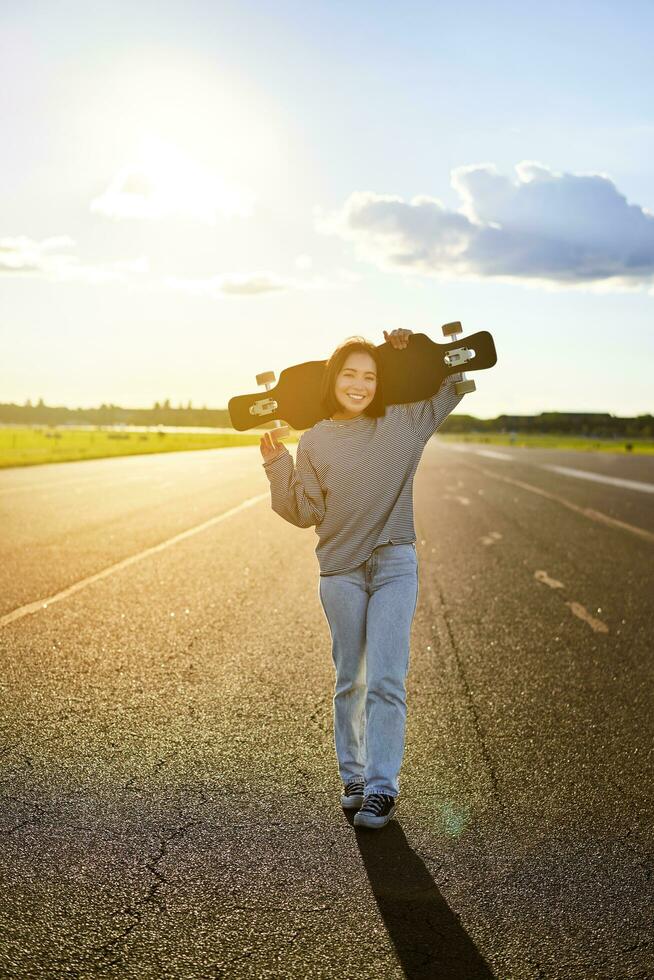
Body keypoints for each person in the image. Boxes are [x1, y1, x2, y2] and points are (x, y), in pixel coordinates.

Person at [260, 328, 464, 829]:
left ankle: (380, 788)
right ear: (334, 380)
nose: (360, 384)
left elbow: (454, 380)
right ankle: (352, 778)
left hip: (395, 565)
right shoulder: (315, 440)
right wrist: (275, 463)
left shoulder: (404, 422)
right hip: (341, 572)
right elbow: (303, 512)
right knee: (350, 678)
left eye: (370, 376)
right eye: (350, 373)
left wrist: (415, 346)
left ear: (379, 383)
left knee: (387, 679)